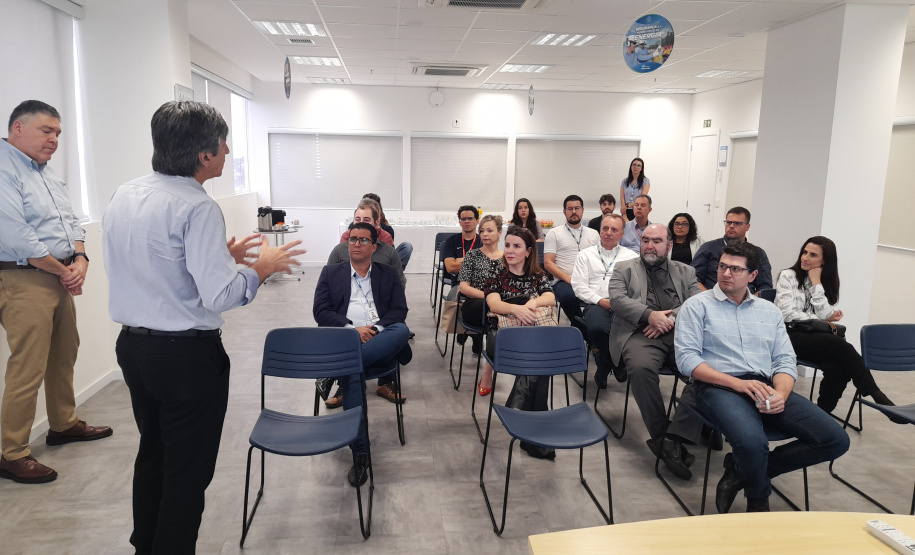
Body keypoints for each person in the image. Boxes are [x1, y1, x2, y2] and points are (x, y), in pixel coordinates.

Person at [103, 100, 306, 552]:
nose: (229, 150)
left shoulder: (125, 194)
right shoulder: (197, 207)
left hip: (134, 351)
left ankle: (147, 545)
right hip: (184, 359)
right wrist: (262, 268)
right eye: (223, 144)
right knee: (187, 471)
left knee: (154, 452)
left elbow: (155, 268)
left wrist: (221, 261)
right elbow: (221, 296)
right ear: (203, 156)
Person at [675, 242, 850, 513]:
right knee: (753, 443)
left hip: (766, 386)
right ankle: (758, 502)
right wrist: (739, 384)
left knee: (835, 439)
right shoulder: (697, 306)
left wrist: (781, 392)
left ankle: (741, 470)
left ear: (753, 276)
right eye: (722, 266)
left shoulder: (768, 312)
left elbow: (784, 359)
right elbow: (687, 361)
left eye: (735, 269)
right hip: (717, 387)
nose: (726, 273)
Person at [0, 100, 112, 486]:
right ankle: (13, 453)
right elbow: (17, 237)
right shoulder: (4, 169)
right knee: (27, 367)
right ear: (18, 128)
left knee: (65, 354)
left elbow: (72, 220)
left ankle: (63, 424)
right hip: (23, 279)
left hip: (58, 274)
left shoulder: (46, 174)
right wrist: (66, 270)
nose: (54, 140)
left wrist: (80, 259)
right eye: (46, 131)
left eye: (58, 134)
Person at [313, 222, 412, 487]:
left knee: (401, 329)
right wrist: (351, 330)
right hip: (345, 338)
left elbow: (399, 311)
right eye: (352, 239)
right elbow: (320, 312)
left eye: (362, 240)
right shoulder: (331, 272)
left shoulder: (388, 273)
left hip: (380, 341)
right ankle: (361, 454)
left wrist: (376, 330)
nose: (356, 244)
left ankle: (334, 370)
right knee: (354, 373)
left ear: (374, 247)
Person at [608, 224, 703, 479]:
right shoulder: (624, 268)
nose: (650, 246)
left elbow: (697, 304)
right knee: (640, 369)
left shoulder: (687, 271)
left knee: (704, 374)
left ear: (668, 245)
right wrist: (649, 317)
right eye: (646, 240)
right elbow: (617, 300)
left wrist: (667, 319)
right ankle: (662, 436)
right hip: (639, 332)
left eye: (657, 241)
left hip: (679, 333)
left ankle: (675, 438)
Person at [775, 236, 895, 414]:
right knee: (838, 344)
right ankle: (874, 392)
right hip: (787, 335)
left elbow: (825, 314)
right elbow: (787, 314)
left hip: (811, 338)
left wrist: (816, 283)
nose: (805, 257)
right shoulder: (788, 276)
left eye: (813, 255)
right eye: (804, 252)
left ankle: (822, 413)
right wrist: (820, 320)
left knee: (839, 368)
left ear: (824, 261)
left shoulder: (820, 280)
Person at [483, 225, 556, 459]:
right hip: (501, 337)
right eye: (507, 245)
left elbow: (550, 297)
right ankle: (536, 436)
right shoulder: (496, 270)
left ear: (528, 251)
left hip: (531, 336)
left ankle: (524, 417)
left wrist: (530, 306)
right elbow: (493, 304)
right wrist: (516, 308)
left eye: (517, 246)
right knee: (542, 361)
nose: (510, 250)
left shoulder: (537, 273)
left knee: (538, 361)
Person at [571, 213, 638, 388]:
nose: (608, 232)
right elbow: (578, 286)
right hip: (595, 303)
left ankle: (604, 364)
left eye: (614, 229)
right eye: (605, 228)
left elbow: (635, 287)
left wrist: (620, 302)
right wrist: (601, 301)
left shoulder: (631, 257)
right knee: (598, 329)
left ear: (622, 234)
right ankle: (617, 363)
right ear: (599, 231)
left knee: (630, 331)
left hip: (622, 304)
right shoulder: (585, 255)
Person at [456, 215, 504, 394]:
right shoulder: (473, 255)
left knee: (498, 320)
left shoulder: (507, 257)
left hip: (500, 308)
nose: (484, 234)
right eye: (482, 231)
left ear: (500, 233)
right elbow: (464, 287)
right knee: (497, 314)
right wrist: (490, 297)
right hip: (475, 304)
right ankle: (490, 370)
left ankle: (488, 370)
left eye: (490, 230)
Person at [543, 195, 599, 337]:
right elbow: (548, 263)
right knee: (568, 297)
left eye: (577, 208)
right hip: (564, 281)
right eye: (570, 209)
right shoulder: (554, 233)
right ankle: (586, 334)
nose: (574, 211)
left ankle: (597, 329)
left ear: (582, 210)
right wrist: (569, 279)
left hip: (590, 280)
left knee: (604, 295)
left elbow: (599, 259)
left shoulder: (593, 233)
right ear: (564, 212)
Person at [691, 206, 772, 294]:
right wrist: (709, 299)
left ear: (747, 227)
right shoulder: (708, 247)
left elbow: (765, 286)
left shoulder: (758, 253)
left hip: (745, 302)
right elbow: (693, 279)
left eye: (737, 223)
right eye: (728, 222)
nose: (731, 226)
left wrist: (750, 303)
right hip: (711, 298)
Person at [363, 192, 413, 270]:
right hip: (363, 259)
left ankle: (396, 274)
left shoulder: (386, 229)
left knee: (407, 246)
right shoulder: (353, 228)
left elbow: (389, 252)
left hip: (383, 257)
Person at [441, 205, 481, 298]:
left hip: (480, 284)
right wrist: (475, 263)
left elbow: (488, 267)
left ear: (477, 221)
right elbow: (450, 267)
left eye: (470, 218)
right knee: (452, 298)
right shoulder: (451, 241)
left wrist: (460, 261)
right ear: (460, 222)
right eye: (463, 219)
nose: (467, 221)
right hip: (458, 284)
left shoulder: (483, 241)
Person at [620, 157, 650, 222]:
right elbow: (622, 198)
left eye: (638, 165)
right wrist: (624, 214)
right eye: (634, 165)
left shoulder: (645, 181)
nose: (636, 167)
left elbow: (642, 198)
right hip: (626, 211)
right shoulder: (624, 181)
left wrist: (628, 206)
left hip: (638, 210)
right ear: (631, 167)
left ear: (641, 169)